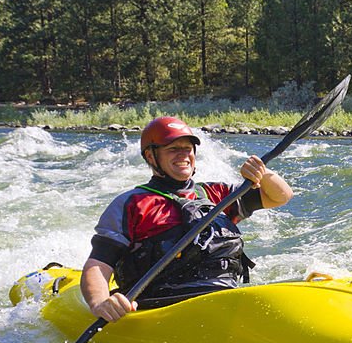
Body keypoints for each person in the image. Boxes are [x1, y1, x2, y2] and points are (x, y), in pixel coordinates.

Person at [81, 116, 294, 322]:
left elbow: (281, 196)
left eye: (188, 149)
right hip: (163, 306)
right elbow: (99, 264)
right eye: (173, 149)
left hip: (222, 298)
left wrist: (262, 174)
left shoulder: (216, 194)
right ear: (150, 157)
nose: (183, 155)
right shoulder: (131, 204)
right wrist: (100, 303)